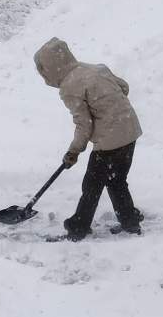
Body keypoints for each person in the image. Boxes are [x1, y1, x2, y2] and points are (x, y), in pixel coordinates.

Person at [33, 37, 143, 241]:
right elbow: (124, 87)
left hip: (109, 142)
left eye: (43, 72)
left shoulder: (69, 87)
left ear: (50, 69)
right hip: (130, 131)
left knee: (92, 186)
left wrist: (73, 151)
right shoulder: (95, 68)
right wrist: (111, 109)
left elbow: (84, 124)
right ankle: (130, 220)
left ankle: (78, 227)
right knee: (117, 180)